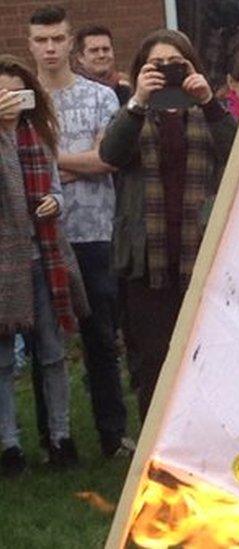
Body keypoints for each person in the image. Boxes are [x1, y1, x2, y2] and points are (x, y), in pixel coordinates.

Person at [100, 29, 237, 419]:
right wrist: (140, 100)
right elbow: (111, 153)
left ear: (191, 64)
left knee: (207, 358)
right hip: (148, 261)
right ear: (141, 70)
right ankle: (152, 449)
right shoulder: (131, 112)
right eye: (155, 65)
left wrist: (207, 101)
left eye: (175, 64)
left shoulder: (207, 111)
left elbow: (238, 151)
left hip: (202, 256)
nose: (166, 72)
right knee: (153, 363)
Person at [28, 6, 132, 459]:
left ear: (71, 43)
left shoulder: (99, 99)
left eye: (57, 39)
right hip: (39, 239)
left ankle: (113, 434)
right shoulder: (20, 102)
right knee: (42, 343)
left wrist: (47, 166)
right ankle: (53, 438)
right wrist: (74, 164)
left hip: (93, 232)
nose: (50, 48)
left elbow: (106, 159)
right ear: (29, 43)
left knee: (100, 338)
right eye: (41, 40)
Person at [0, 54, 88, 475]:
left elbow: (56, 189)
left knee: (52, 354)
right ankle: (9, 445)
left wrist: (56, 201)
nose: (9, 100)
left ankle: (61, 436)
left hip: (46, 257)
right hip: (4, 267)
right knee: (2, 361)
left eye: (15, 92)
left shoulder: (38, 135)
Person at [73, 24, 132, 106]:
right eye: (94, 50)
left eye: (106, 49)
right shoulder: (73, 91)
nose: (101, 55)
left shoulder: (126, 89)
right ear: (80, 57)